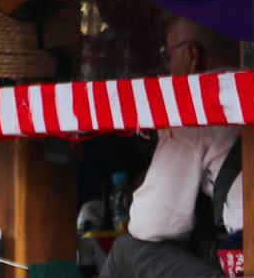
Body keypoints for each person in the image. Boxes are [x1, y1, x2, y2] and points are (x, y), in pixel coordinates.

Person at [104, 17, 244, 278]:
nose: (167, 68)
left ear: (191, 55)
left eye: (167, 55)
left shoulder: (197, 106)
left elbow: (151, 225)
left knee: (128, 250)